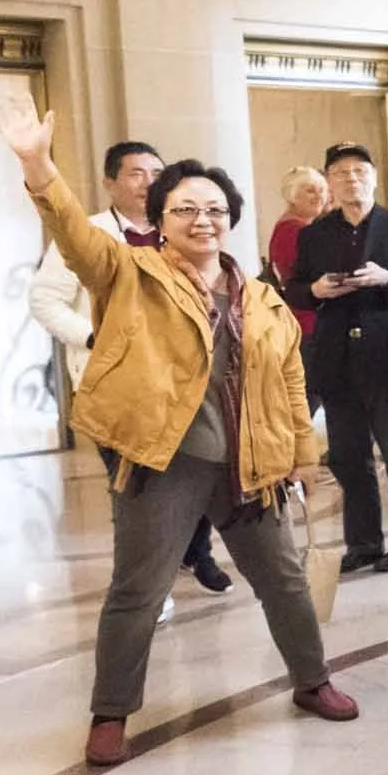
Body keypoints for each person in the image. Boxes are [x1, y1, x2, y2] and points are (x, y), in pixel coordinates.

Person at [0, 97, 358, 768]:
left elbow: (290, 382)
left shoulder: (262, 297)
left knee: (283, 579)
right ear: (159, 220)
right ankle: (110, 713)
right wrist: (39, 167)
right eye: (185, 208)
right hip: (163, 462)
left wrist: (303, 459)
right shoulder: (129, 273)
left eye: (214, 208)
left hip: (249, 461)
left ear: (231, 218)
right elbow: (73, 234)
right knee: (138, 589)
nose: (202, 219)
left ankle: (313, 680)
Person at [28, 138, 229, 601]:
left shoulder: (179, 229)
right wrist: (94, 337)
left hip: (181, 383)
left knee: (199, 468)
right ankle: (145, 587)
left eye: (156, 173)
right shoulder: (89, 234)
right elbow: (44, 300)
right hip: (119, 387)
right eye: (136, 173)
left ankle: (196, 553)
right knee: (135, 491)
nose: (148, 182)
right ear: (110, 183)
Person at [285, 143, 388, 575]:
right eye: (341, 173)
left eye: (359, 171)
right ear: (329, 182)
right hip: (337, 357)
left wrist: (387, 280)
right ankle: (364, 543)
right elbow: (293, 289)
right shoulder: (313, 234)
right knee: (349, 458)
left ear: (374, 177)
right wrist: (315, 290)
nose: (351, 179)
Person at [264, 165, 329, 343]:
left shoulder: (303, 227)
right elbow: (298, 278)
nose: (319, 197)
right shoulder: (292, 230)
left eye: (322, 190)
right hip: (306, 322)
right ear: (293, 196)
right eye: (310, 191)